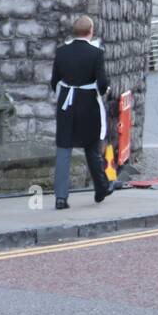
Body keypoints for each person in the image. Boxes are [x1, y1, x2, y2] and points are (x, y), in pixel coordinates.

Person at [49, 14, 112, 209]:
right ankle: (101, 188)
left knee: (63, 149)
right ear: (90, 32)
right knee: (92, 147)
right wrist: (105, 90)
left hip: (66, 103)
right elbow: (101, 83)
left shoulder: (61, 52)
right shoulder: (96, 53)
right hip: (87, 104)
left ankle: (61, 198)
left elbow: (54, 81)